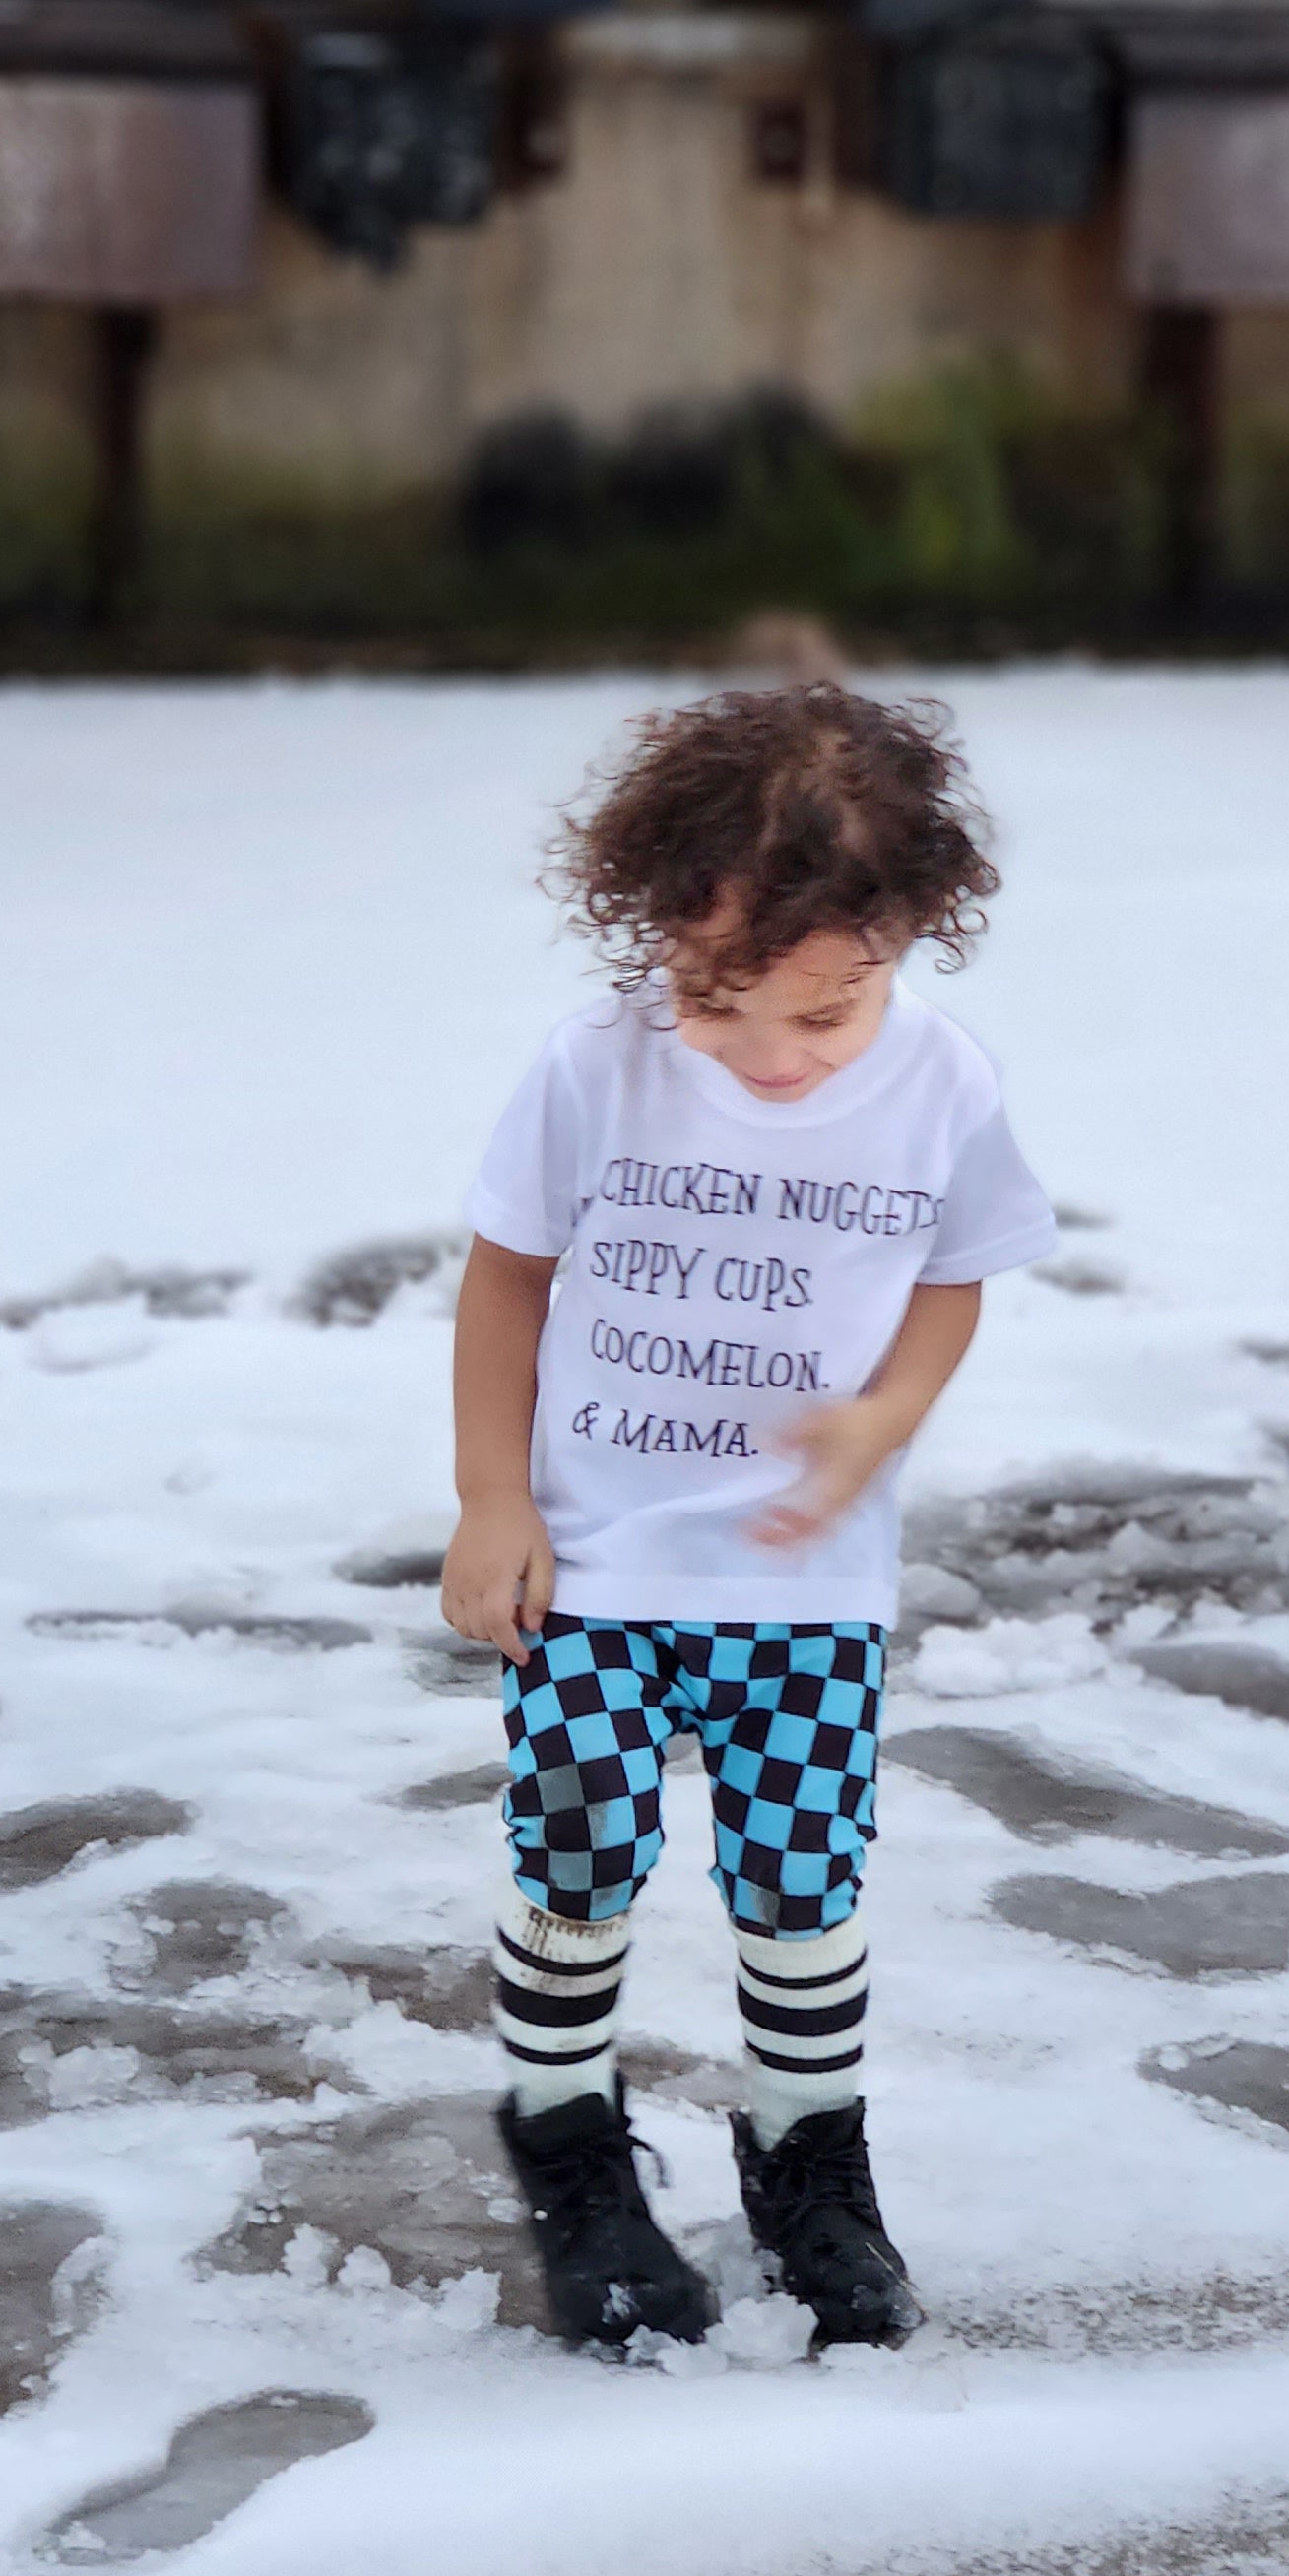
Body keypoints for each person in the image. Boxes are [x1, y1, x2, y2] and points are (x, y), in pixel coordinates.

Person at [441, 681, 1056, 2357]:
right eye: (723, 1005)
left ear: (908, 934)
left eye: (827, 1015)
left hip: (808, 1589)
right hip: (599, 1567)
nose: (776, 1059)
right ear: (655, 928)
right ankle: (567, 2148)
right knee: (577, 1857)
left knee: (802, 1883)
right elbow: (507, 1281)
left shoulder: (941, 1089)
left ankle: (812, 2164)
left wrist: (882, 1419)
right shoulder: (594, 1072)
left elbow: (954, 1279)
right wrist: (494, 1496)